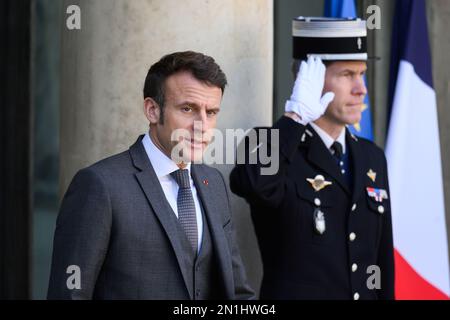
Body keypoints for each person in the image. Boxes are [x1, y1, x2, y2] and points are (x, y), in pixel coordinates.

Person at [48, 51, 254, 300]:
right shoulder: (100, 186)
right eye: (188, 109)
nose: (202, 126)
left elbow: (237, 291)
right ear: (152, 110)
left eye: (211, 112)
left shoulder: (214, 184)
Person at [230, 17, 394, 300]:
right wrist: (295, 117)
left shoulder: (371, 156)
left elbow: (381, 261)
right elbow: (254, 184)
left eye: (362, 73)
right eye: (347, 75)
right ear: (308, 78)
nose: (361, 89)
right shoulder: (270, 144)